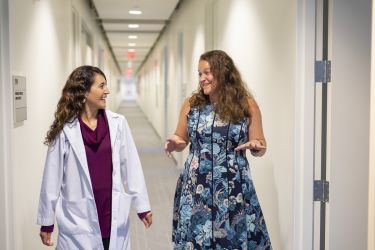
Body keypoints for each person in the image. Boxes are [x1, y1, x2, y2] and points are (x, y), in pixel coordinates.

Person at [165, 50, 272, 249]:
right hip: (197, 184)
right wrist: (175, 142)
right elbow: (181, 138)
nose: (202, 79)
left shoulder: (246, 105)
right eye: (199, 74)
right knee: (196, 238)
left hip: (234, 185)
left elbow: (260, 144)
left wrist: (256, 146)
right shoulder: (192, 104)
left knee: (232, 237)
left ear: (223, 72)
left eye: (207, 73)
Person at [37, 65, 152, 250]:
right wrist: (47, 221)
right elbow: (51, 178)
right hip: (78, 219)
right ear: (84, 91)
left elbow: (131, 167)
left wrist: (142, 206)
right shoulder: (65, 130)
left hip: (110, 213)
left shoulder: (118, 123)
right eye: (101, 85)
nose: (107, 90)